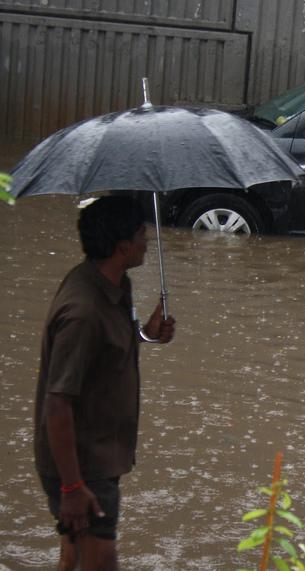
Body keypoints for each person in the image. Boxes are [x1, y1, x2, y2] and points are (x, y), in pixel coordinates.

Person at [34, 196, 176, 570]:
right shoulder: (82, 313)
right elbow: (57, 403)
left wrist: (145, 334)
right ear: (122, 247)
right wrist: (71, 487)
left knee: (73, 555)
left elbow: (109, 353)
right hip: (83, 467)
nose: (148, 242)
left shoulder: (113, 283)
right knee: (99, 561)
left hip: (98, 455)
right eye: (142, 236)